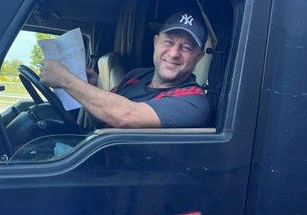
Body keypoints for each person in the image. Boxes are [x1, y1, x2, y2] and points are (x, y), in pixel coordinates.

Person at [40, 11, 210, 128]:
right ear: (155, 42)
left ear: (199, 57)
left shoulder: (194, 102)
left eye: (186, 48)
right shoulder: (136, 75)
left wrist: (65, 80)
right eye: (168, 42)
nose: (173, 53)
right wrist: (90, 86)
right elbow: (102, 120)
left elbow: (125, 116)